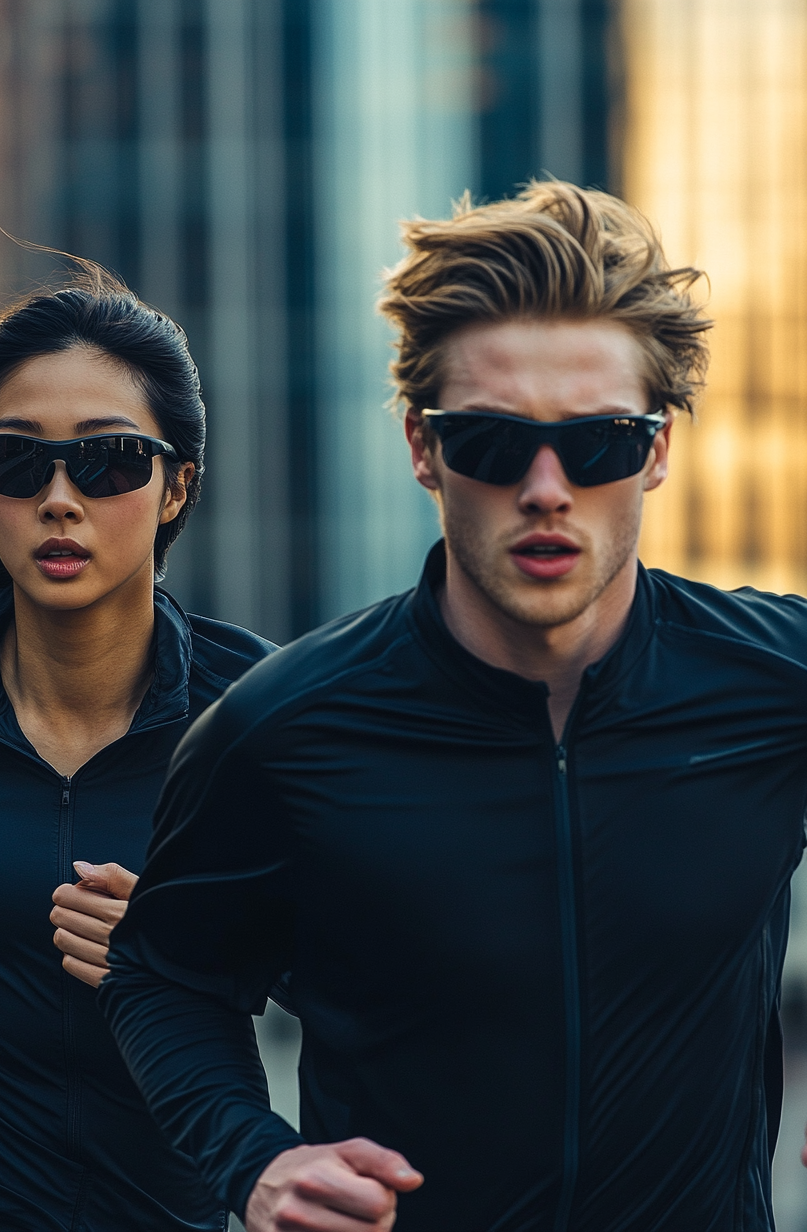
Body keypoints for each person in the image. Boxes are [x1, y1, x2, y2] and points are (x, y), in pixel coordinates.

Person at [99, 180, 807, 1232]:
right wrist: (250, 1157)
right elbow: (161, 971)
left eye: (599, 441)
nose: (545, 485)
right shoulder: (286, 727)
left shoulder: (772, 684)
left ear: (657, 451)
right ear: (423, 447)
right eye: (489, 440)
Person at [0, 273, 274, 1231]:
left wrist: (191, 941)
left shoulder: (259, 712)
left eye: (107, 461)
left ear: (177, 483)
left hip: (177, 1212)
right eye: (18, 463)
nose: (60, 499)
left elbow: (374, 960)